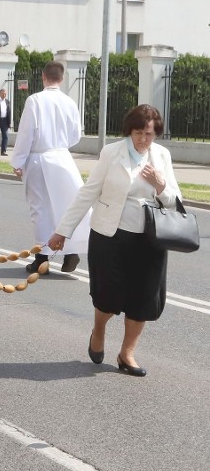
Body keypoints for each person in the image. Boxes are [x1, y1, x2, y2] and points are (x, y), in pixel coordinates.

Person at [48, 105, 181, 377]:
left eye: (149, 134)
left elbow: (175, 202)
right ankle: (98, 331)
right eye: (138, 133)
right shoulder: (111, 153)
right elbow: (87, 193)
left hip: (149, 239)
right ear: (129, 131)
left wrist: (160, 185)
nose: (144, 139)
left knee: (143, 297)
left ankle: (127, 353)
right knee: (108, 296)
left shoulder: (162, 156)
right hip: (110, 235)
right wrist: (63, 231)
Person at [10, 61, 88, 274]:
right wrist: (59, 146)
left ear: (43, 77)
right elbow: (75, 135)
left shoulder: (35, 100)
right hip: (63, 158)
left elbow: (27, 133)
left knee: (40, 209)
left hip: (39, 159)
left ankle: (42, 257)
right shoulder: (70, 102)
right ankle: (71, 253)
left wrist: (18, 161)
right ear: (62, 79)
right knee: (65, 207)